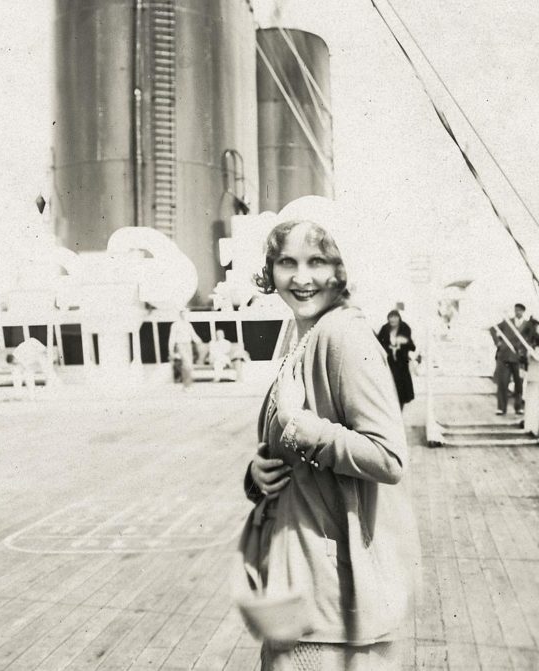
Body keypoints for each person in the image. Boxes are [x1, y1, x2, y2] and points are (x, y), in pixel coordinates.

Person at [241, 197, 418, 670]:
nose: (302, 278)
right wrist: (257, 474)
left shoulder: (344, 335)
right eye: (287, 263)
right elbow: (288, 450)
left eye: (317, 261)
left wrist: (303, 427)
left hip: (330, 609)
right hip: (296, 590)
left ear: (340, 269)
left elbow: (389, 457)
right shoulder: (300, 333)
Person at [488, 303, 535, 415]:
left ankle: (518, 407)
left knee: (519, 384)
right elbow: (492, 329)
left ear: (523, 311)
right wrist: (498, 343)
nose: (517, 312)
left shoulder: (528, 325)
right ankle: (501, 408)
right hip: (504, 357)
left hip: (519, 359)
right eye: (515, 310)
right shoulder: (507, 322)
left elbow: (533, 338)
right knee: (502, 383)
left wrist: (528, 348)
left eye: (519, 310)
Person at [375, 310, 416, 409]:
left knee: (401, 392)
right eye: (391, 317)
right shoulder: (385, 329)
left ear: (399, 318)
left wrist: (402, 343)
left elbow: (411, 346)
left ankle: (400, 412)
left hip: (402, 364)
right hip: (389, 364)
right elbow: (378, 344)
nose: (393, 319)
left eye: (395, 317)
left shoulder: (405, 328)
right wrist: (389, 347)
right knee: (389, 391)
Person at [168, 310, 201, 388]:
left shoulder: (188, 324)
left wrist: (199, 341)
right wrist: (171, 350)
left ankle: (187, 384)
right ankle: (187, 385)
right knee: (187, 364)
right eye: (183, 314)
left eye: (186, 314)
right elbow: (172, 338)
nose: (184, 315)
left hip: (188, 345)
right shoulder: (175, 325)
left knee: (189, 365)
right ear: (180, 314)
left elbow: (193, 335)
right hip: (180, 345)